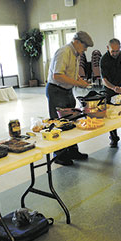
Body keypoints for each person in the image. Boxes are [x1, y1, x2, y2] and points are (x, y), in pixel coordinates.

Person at [46, 31, 93, 166]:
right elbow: (57, 75)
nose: (85, 50)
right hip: (56, 90)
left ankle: (72, 151)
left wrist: (80, 80)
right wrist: (78, 83)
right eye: (84, 46)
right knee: (59, 123)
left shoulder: (76, 54)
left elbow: (71, 73)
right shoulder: (64, 52)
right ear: (77, 42)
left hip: (67, 90)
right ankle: (59, 155)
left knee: (72, 121)